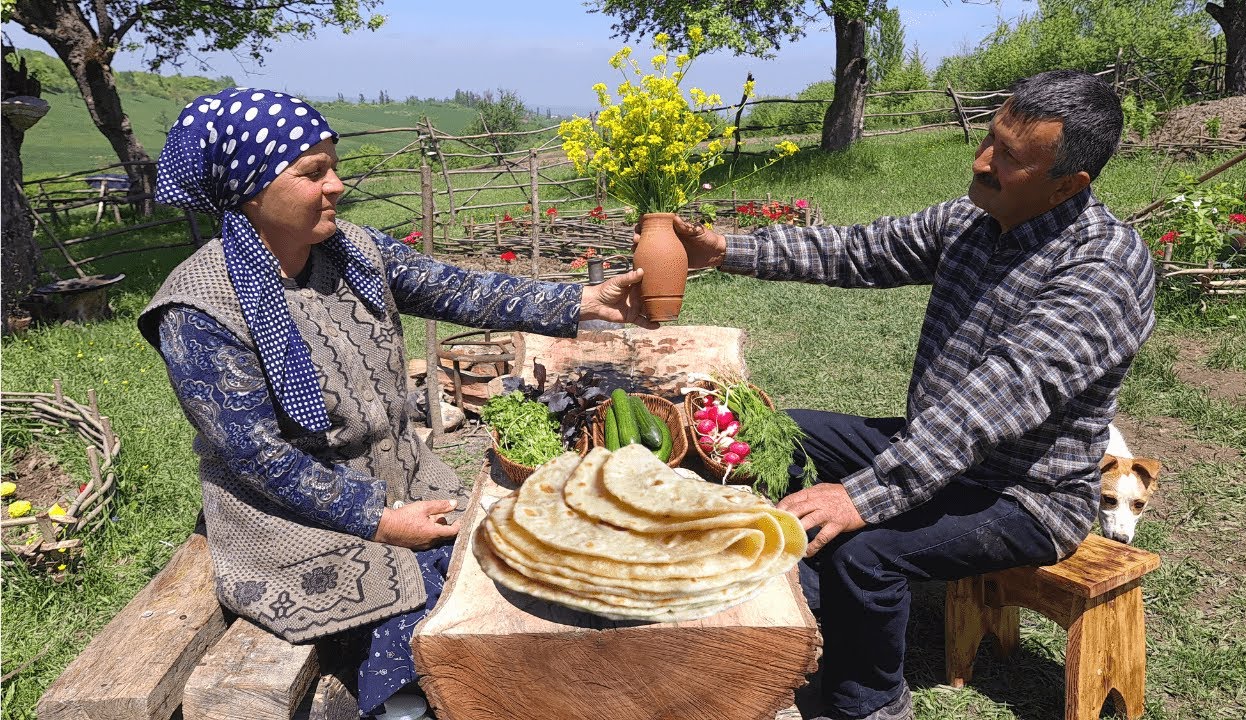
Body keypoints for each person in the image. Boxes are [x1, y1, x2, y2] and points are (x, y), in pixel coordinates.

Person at [137, 87, 652, 717]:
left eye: (334, 167)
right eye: (313, 173)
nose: (338, 186)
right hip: (293, 523)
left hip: (405, 485)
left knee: (531, 588)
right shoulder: (198, 308)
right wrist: (379, 520)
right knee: (440, 641)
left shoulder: (349, 249)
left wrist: (579, 304)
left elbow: (457, 288)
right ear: (249, 192)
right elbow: (256, 457)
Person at [668, 70, 1156, 720]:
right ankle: (809, 623)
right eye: (990, 139)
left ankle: (870, 704)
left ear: (1068, 185)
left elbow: (994, 401)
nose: (982, 162)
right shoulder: (974, 221)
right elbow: (859, 252)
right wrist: (727, 249)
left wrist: (863, 495)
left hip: (1023, 494)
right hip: (938, 453)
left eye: (1010, 157)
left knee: (866, 551)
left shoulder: (1103, 271)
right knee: (776, 437)